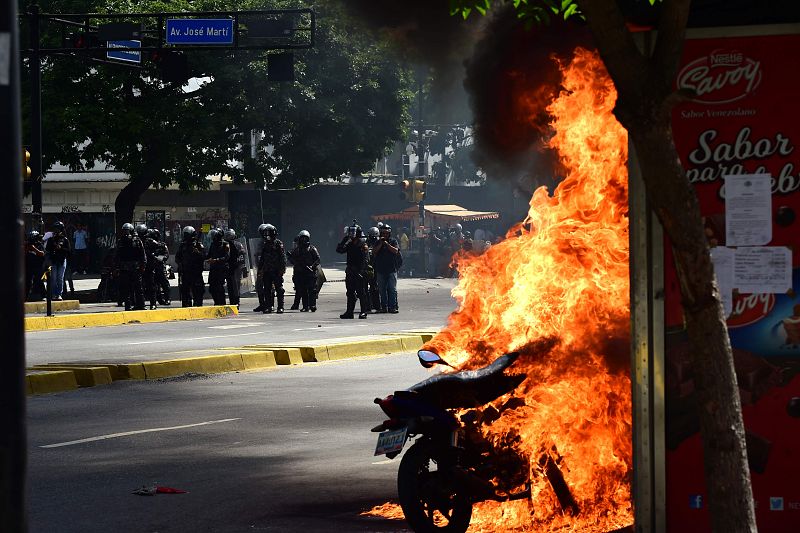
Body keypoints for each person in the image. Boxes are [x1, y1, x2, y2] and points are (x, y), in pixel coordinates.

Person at [336, 221, 370, 319]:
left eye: (354, 232)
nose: (352, 234)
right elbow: (339, 250)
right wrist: (347, 241)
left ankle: (364, 311)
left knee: (361, 292)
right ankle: (349, 312)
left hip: (360, 269)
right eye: (351, 232)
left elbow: (366, 258)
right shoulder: (348, 241)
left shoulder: (362, 243)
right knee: (350, 292)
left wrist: (362, 271)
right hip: (350, 269)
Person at [113, 223, 146, 310]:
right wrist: (116, 267)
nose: (126, 232)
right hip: (124, 268)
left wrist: (143, 265)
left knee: (138, 287)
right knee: (126, 288)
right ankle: (128, 305)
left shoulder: (137, 241)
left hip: (135, 267)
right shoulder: (121, 242)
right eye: (124, 231)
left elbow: (142, 254)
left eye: (127, 230)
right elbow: (117, 256)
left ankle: (141, 305)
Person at [287, 230, 321, 312]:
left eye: (305, 239)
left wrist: (312, 266)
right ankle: (305, 306)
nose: (303, 241)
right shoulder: (297, 250)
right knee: (303, 290)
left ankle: (312, 305)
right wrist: (295, 262)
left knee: (312, 290)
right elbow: (291, 257)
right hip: (300, 273)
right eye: (302, 239)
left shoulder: (312, 249)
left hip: (310, 273)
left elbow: (317, 259)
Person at [372, 224, 401, 314]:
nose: (385, 235)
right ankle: (384, 307)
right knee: (382, 290)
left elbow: (396, 251)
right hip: (380, 269)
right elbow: (374, 252)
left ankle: (392, 306)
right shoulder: (378, 241)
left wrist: (387, 244)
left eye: (386, 233)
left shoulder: (393, 241)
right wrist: (381, 243)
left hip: (391, 269)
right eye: (383, 233)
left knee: (392, 289)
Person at [258, 223, 286, 314]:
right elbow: (262, 258)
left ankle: (280, 307)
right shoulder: (265, 244)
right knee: (267, 289)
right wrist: (260, 269)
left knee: (279, 289)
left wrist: (282, 269)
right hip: (267, 270)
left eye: (268, 233)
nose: (266, 235)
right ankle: (268, 306)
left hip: (276, 270)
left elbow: (282, 257)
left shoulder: (278, 243)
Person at [175, 226, 205, 307]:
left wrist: (197, 252)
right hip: (185, 272)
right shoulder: (183, 245)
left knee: (198, 291)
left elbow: (204, 257)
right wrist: (180, 264)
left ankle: (198, 306)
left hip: (196, 273)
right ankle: (186, 306)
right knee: (185, 291)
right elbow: (177, 257)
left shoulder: (198, 245)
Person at [44, 221, 71, 301]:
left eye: (58, 229)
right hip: (54, 261)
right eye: (55, 229)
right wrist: (54, 247)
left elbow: (69, 251)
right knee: (53, 278)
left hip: (62, 261)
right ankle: (53, 294)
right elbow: (47, 249)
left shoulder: (65, 239)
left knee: (60, 278)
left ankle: (59, 294)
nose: (57, 230)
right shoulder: (51, 239)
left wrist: (61, 249)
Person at [206, 228, 230, 305]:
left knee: (219, 287)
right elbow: (208, 255)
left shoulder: (225, 244)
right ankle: (216, 303)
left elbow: (227, 257)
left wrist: (216, 260)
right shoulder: (213, 244)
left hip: (221, 268)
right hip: (213, 268)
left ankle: (222, 304)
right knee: (212, 288)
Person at [224, 229, 246, 308]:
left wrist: (243, 266)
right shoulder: (226, 244)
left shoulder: (238, 244)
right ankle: (233, 302)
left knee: (235, 285)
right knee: (231, 285)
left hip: (236, 267)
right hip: (230, 267)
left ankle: (236, 302)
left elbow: (242, 256)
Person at [141, 228, 161, 309]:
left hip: (150, 266)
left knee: (151, 286)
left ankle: (153, 303)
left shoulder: (151, 242)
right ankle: (140, 303)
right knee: (139, 286)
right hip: (141, 266)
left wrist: (154, 255)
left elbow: (160, 250)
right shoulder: (138, 241)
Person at [151, 229, 171, 305]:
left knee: (164, 283)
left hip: (160, 267)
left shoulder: (162, 245)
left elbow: (166, 256)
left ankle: (167, 298)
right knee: (155, 285)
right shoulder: (149, 245)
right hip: (152, 267)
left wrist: (156, 257)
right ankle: (159, 299)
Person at [25, 230, 46, 301]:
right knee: (27, 282)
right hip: (29, 266)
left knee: (39, 281)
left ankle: (43, 295)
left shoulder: (39, 245)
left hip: (38, 266)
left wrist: (34, 249)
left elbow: (42, 254)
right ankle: (26, 297)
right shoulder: (27, 245)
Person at [253, 223, 269, 312]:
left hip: (269, 268)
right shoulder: (260, 242)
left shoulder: (272, 243)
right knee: (259, 286)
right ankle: (262, 304)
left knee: (269, 287)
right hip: (261, 267)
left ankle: (269, 304)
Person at [365, 226, 381, 311]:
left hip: (376, 267)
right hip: (368, 267)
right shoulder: (367, 242)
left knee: (374, 287)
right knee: (370, 287)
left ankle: (376, 305)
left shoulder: (379, 242)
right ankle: (369, 305)